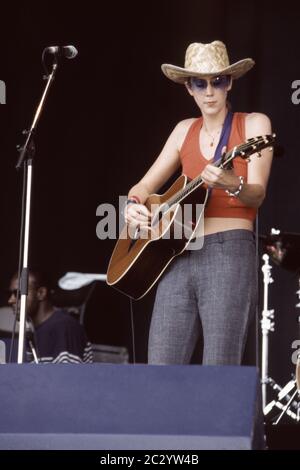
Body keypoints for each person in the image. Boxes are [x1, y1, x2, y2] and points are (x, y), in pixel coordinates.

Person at [124, 40, 273, 365]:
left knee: (219, 365)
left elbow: (257, 193)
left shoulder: (253, 124)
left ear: (230, 82)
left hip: (229, 249)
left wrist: (231, 183)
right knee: (160, 366)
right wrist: (133, 204)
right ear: (188, 88)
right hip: (177, 254)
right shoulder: (183, 130)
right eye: (199, 83)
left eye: (217, 81)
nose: (209, 91)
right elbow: (144, 185)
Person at [8, 271, 93, 363]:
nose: (11, 300)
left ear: (41, 293)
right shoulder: (33, 332)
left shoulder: (65, 326)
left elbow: (68, 376)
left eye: (18, 294)